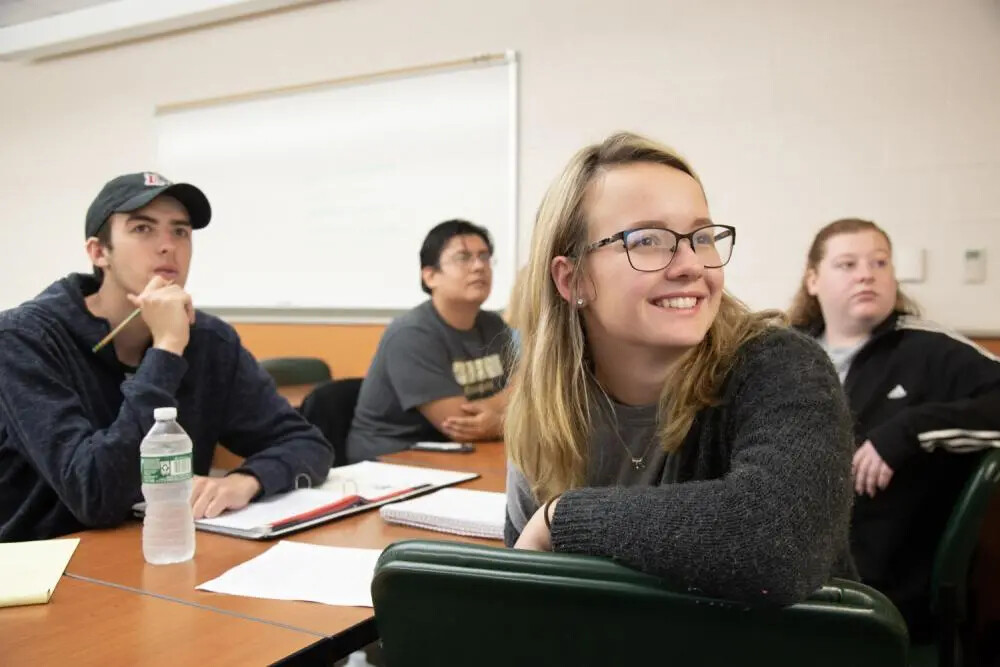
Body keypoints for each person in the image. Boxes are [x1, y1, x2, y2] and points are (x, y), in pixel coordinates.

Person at [504, 132, 856, 605]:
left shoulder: (782, 366)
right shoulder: (549, 404)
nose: (692, 265)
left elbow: (780, 540)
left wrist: (561, 518)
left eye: (703, 237)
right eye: (648, 240)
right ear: (573, 280)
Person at [0, 172, 333, 542]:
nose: (167, 246)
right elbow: (96, 494)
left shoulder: (210, 340)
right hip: (43, 563)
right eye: (143, 229)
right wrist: (166, 349)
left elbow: (307, 443)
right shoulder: (24, 339)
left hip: (164, 551)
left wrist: (249, 480)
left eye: (180, 232)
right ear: (98, 252)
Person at [789, 217, 1000, 638]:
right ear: (813, 280)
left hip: (880, 586)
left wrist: (908, 431)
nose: (867, 273)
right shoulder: (787, 353)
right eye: (847, 264)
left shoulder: (928, 349)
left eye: (880, 262)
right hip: (784, 565)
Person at [347, 220, 512, 461]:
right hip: (394, 459)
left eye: (484, 257)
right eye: (463, 257)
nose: (479, 266)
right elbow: (461, 425)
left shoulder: (494, 325)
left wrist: (498, 419)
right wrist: (505, 418)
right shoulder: (411, 335)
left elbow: (527, 394)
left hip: (460, 454)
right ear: (430, 276)